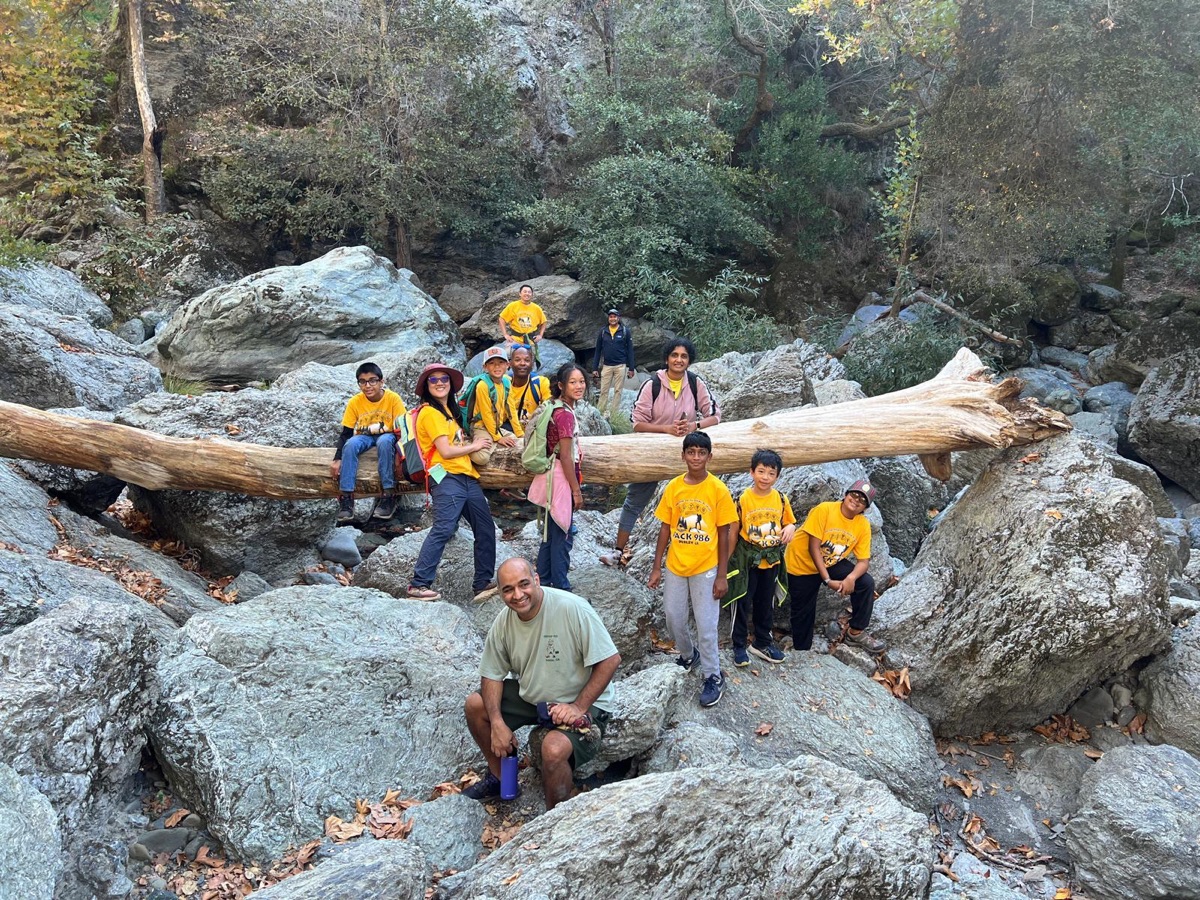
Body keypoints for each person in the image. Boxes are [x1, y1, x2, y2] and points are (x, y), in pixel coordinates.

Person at [463, 557, 621, 810]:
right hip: (535, 699)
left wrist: (578, 707)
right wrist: (497, 723)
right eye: (508, 589)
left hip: (580, 700)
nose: (517, 595)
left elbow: (610, 660)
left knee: (553, 749)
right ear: (499, 593)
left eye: (524, 584)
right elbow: (492, 674)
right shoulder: (504, 622)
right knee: (476, 705)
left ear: (536, 580)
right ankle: (502, 780)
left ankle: (555, 818)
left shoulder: (572, 608)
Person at [600, 337, 720, 568]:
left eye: (684, 356)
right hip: (653, 453)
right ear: (666, 358)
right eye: (674, 355)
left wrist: (693, 426)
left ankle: (696, 551)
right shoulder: (652, 385)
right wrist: (665, 429)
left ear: (689, 361)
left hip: (688, 455)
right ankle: (617, 552)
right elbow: (636, 422)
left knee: (693, 501)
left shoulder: (695, 383)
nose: (678, 360)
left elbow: (714, 415)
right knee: (635, 501)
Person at [648, 431, 738, 708]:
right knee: (673, 617)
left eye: (701, 452)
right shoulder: (674, 487)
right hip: (677, 564)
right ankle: (689, 655)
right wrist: (656, 567)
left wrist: (721, 574)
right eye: (691, 452)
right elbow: (665, 528)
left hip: (706, 567)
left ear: (709, 456)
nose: (696, 457)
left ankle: (713, 676)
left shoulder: (718, 490)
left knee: (706, 625)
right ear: (683, 455)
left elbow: (724, 533)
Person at [407, 363, 497, 603]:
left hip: (467, 477)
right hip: (446, 477)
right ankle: (419, 584)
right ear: (426, 386)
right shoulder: (430, 413)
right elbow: (445, 451)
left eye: (444, 379)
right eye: (433, 380)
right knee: (444, 528)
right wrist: (475, 445)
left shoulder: (450, 413)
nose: (439, 383)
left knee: (485, 528)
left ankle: (482, 583)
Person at [784, 479, 885, 653]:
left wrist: (851, 578)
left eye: (862, 500)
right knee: (803, 613)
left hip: (830, 561)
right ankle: (802, 652)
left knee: (865, 583)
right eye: (854, 495)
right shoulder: (825, 509)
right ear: (845, 495)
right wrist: (827, 580)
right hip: (801, 563)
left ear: (865, 508)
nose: (856, 500)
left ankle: (855, 632)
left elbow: (863, 561)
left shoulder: (862, 524)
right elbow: (813, 547)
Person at [726, 449, 796, 666]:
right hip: (747, 559)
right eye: (761, 471)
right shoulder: (742, 499)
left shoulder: (781, 499)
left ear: (777, 476)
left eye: (771, 473)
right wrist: (726, 561)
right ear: (751, 472)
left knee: (766, 603)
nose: (765, 477)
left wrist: (791, 528)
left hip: (771, 559)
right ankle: (739, 645)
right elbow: (734, 531)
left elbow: (789, 522)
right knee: (741, 600)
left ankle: (762, 642)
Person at [528, 363, 587, 591]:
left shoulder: (555, 407)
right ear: (561, 385)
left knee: (550, 533)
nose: (579, 386)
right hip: (560, 479)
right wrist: (576, 491)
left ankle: (543, 579)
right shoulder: (565, 415)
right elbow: (566, 456)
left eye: (581, 381)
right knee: (563, 533)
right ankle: (562, 586)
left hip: (549, 476)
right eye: (573, 382)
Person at [330, 362, 407, 523]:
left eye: (372, 381)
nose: (368, 386)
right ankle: (346, 497)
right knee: (351, 444)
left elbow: (403, 429)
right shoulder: (355, 402)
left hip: (388, 435)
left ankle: (388, 493)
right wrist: (337, 458)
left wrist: (401, 456)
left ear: (381, 381)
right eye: (363, 382)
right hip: (364, 436)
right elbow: (346, 433)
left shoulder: (393, 399)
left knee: (384, 441)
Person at [463, 345, 517, 466]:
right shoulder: (482, 386)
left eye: (501, 362)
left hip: (496, 427)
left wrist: (519, 433)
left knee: (519, 442)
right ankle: (464, 444)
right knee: (482, 458)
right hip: (481, 427)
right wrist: (498, 438)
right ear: (485, 367)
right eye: (491, 363)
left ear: (507, 365)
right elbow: (486, 414)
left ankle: (494, 442)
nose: (497, 366)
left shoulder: (507, 382)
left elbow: (511, 410)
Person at [591, 308, 634, 418]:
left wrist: (631, 368)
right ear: (608, 318)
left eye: (615, 316)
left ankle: (614, 414)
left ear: (618, 318)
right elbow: (598, 350)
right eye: (611, 317)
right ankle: (599, 413)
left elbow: (630, 350)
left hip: (620, 366)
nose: (613, 319)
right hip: (607, 366)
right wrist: (594, 368)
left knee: (618, 391)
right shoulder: (603, 332)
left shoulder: (625, 331)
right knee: (603, 390)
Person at [506, 344, 552, 436]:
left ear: (532, 364)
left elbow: (551, 408)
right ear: (510, 363)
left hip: (534, 432)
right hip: (509, 433)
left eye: (527, 360)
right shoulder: (503, 383)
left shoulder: (541, 382)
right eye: (517, 360)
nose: (522, 363)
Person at [498, 284, 546, 368]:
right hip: (515, 339)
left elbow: (544, 322)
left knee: (529, 364)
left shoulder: (536, 308)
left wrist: (540, 335)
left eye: (529, 292)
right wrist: (505, 334)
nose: (527, 294)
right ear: (520, 293)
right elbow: (502, 318)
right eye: (525, 291)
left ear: (532, 294)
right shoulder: (513, 306)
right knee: (506, 358)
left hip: (530, 340)